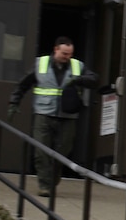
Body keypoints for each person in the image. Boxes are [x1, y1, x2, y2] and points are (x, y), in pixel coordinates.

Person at [8, 37, 98, 198]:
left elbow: (94, 80)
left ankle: (53, 179)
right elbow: (23, 84)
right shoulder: (40, 64)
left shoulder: (78, 66)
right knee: (41, 151)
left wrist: (80, 79)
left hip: (68, 116)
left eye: (70, 54)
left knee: (62, 152)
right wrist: (14, 102)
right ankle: (44, 185)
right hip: (43, 114)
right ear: (56, 49)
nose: (67, 57)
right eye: (64, 53)